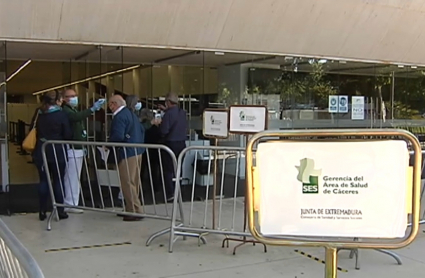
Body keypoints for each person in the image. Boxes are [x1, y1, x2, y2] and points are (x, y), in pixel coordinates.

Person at [61, 89, 105, 214]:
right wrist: (92, 109)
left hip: (78, 147)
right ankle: (70, 203)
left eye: (75, 95)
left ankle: (73, 201)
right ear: (64, 98)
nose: (74, 98)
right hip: (73, 148)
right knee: (72, 177)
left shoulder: (72, 110)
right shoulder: (67, 111)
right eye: (71, 96)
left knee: (76, 177)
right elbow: (76, 117)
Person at [32, 91, 72, 221]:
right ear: (57, 100)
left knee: (43, 180)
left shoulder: (39, 113)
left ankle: (42, 211)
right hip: (57, 151)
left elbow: (32, 130)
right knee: (58, 180)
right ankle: (60, 211)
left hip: (41, 150)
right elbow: (67, 134)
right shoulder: (61, 114)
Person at [108, 95, 145, 221]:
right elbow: (141, 129)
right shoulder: (130, 114)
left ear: (114, 104)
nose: (109, 107)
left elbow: (118, 136)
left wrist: (108, 143)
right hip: (137, 150)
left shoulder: (119, 117)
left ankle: (134, 210)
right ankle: (131, 207)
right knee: (134, 181)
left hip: (127, 152)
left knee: (127, 181)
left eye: (110, 104)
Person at [158, 92, 187, 201]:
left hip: (170, 144)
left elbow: (164, 131)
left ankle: (170, 193)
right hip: (182, 144)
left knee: (168, 170)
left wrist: (160, 124)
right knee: (178, 168)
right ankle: (178, 191)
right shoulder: (183, 113)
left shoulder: (168, 115)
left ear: (168, 102)